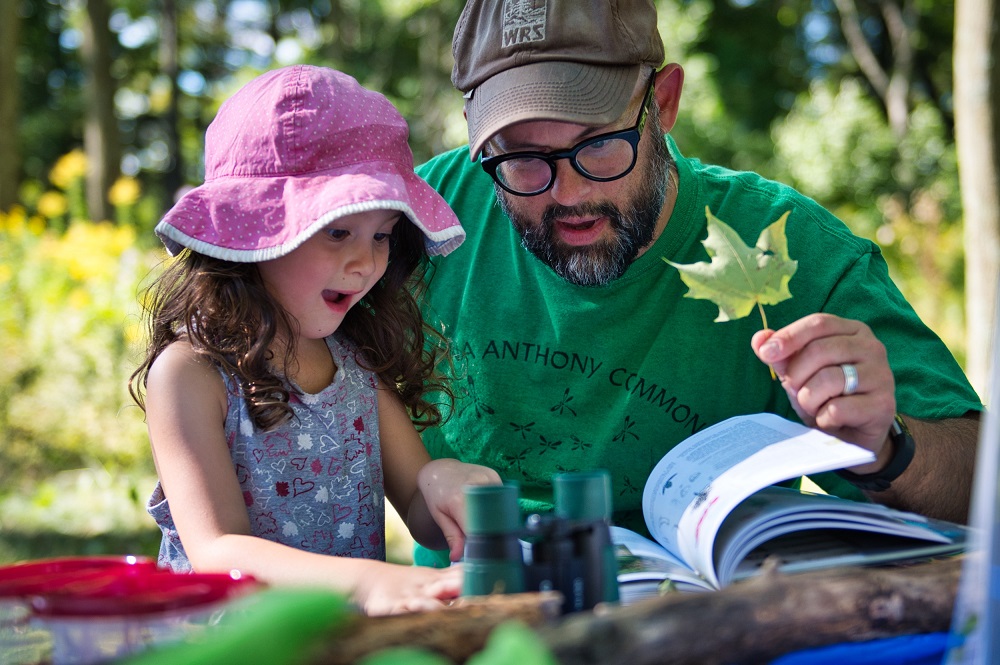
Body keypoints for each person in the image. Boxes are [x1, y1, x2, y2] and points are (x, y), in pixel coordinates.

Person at [412, 0, 982, 565]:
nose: (567, 194)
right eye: (523, 157)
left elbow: (978, 485)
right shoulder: (420, 220)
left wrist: (887, 446)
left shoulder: (789, 245)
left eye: (598, 144)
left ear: (663, 103)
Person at [128, 65, 500, 615]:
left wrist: (444, 481)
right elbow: (217, 550)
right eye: (337, 231)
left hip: (335, 644)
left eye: (382, 235)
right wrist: (367, 582)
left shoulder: (353, 365)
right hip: (228, 645)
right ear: (251, 232)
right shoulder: (190, 375)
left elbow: (421, 512)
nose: (367, 261)